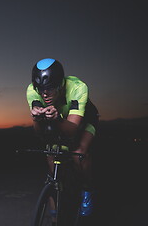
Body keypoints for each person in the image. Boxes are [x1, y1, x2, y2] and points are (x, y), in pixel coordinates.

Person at [26, 58, 99, 217]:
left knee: (79, 153)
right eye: (41, 88)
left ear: (60, 84)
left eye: (50, 88)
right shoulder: (32, 91)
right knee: (51, 153)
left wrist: (57, 119)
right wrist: (36, 119)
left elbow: (72, 130)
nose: (45, 94)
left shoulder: (78, 87)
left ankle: (87, 189)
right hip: (57, 119)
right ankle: (55, 199)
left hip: (83, 120)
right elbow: (39, 134)